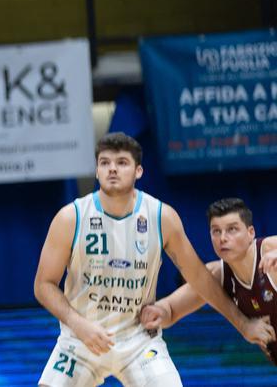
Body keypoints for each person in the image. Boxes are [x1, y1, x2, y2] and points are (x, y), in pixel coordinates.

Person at [33, 132, 275, 387]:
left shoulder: (161, 217)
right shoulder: (71, 218)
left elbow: (200, 278)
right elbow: (43, 285)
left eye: (121, 162)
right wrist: (78, 324)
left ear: (138, 171)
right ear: (96, 171)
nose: (112, 169)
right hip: (80, 340)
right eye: (105, 163)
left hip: (138, 342)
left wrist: (243, 324)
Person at [140, 198, 277, 365]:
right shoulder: (217, 275)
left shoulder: (270, 249)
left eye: (232, 229)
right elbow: (171, 309)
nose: (223, 238)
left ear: (251, 233)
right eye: (216, 231)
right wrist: (157, 313)